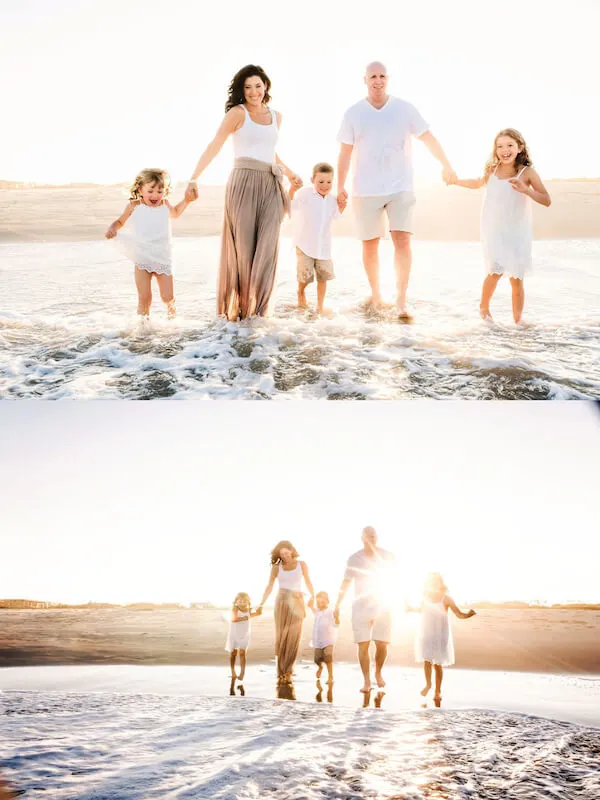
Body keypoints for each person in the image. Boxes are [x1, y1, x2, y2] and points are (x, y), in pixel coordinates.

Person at [337, 61, 457, 319]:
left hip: (400, 186)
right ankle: (377, 295)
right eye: (372, 77)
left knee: (402, 240)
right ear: (365, 80)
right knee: (370, 245)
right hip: (365, 188)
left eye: (381, 76)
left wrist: (446, 165)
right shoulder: (353, 113)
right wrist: (340, 186)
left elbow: (428, 138)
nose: (377, 81)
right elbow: (345, 153)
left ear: (387, 79)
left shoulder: (404, 109)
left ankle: (401, 300)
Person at [185, 64, 302, 320]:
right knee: (244, 251)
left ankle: (259, 313)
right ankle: (241, 314)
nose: (253, 92)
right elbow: (215, 145)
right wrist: (194, 178)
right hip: (243, 182)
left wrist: (291, 173)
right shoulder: (237, 114)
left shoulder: (277, 116)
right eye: (247, 87)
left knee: (268, 248)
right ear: (241, 89)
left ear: (266, 86)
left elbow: (270, 150)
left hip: (271, 184)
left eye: (258, 86)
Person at [446, 128, 551, 324]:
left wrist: (526, 191)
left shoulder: (527, 173)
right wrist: (456, 181)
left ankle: (518, 321)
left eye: (510, 145)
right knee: (494, 271)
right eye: (500, 146)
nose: (505, 150)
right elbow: (477, 183)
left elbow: (546, 200)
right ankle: (484, 310)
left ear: (520, 148)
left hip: (517, 231)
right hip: (494, 230)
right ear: (495, 150)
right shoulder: (491, 170)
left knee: (516, 278)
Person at [105, 168, 194, 319]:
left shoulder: (165, 205)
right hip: (142, 256)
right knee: (144, 298)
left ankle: (172, 318)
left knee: (167, 296)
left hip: (162, 256)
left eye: (160, 191)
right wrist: (112, 228)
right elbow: (120, 221)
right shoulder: (134, 205)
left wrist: (187, 201)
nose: (155, 195)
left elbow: (176, 213)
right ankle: (143, 326)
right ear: (140, 189)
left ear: (165, 192)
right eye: (150, 190)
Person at [334, 526, 396, 694]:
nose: (371, 538)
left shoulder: (388, 556)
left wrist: (404, 602)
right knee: (363, 644)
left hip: (382, 604)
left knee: (382, 644)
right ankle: (367, 681)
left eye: (374, 535)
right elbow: (345, 583)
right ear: (362, 538)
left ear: (377, 537)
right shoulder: (354, 558)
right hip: (360, 606)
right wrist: (337, 605)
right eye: (368, 536)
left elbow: (394, 581)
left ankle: (378, 672)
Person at [406, 572, 476, 707]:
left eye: (436, 581)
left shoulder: (446, 599)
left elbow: (459, 614)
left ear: (441, 583)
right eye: (431, 581)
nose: (433, 584)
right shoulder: (425, 597)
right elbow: (420, 610)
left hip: (440, 633)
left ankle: (437, 691)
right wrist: (409, 608)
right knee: (427, 660)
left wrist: (468, 615)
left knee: (438, 663)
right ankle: (428, 685)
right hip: (426, 632)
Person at [289, 162, 346, 316]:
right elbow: (291, 205)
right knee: (305, 277)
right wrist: (292, 189)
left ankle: (320, 307)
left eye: (329, 182)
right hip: (305, 244)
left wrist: (341, 206)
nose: (325, 185)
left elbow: (335, 217)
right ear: (312, 179)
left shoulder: (332, 199)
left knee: (323, 277)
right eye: (320, 181)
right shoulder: (304, 193)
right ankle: (301, 292)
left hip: (324, 247)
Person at [257, 540, 315, 685]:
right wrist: (261, 603)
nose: (284, 556)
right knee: (282, 636)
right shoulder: (277, 567)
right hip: (281, 601)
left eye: (286, 553)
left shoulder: (302, 565)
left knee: (293, 637)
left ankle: (288, 670)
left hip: (297, 601)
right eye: (281, 554)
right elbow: (269, 586)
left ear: (292, 551)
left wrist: (313, 597)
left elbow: (308, 581)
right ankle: (281, 671)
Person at [225, 591, 262, 682]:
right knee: (233, 653)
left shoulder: (249, 610)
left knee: (242, 653)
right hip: (234, 633)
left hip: (245, 634)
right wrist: (243, 618)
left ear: (248, 602)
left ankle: (242, 672)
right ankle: (233, 671)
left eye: (244, 601)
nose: (242, 603)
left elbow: (252, 615)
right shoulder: (235, 609)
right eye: (240, 601)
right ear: (236, 602)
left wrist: (259, 611)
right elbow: (233, 619)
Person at [308, 590, 339, 685]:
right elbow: (309, 605)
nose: (321, 602)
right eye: (319, 600)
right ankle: (320, 667)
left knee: (328, 657)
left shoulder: (330, 611)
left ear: (328, 601)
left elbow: (336, 624)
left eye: (324, 600)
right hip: (317, 640)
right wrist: (312, 596)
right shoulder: (317, 611)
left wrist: (337, 617)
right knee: (317, 659)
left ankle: (330, 677)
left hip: (328, 639)